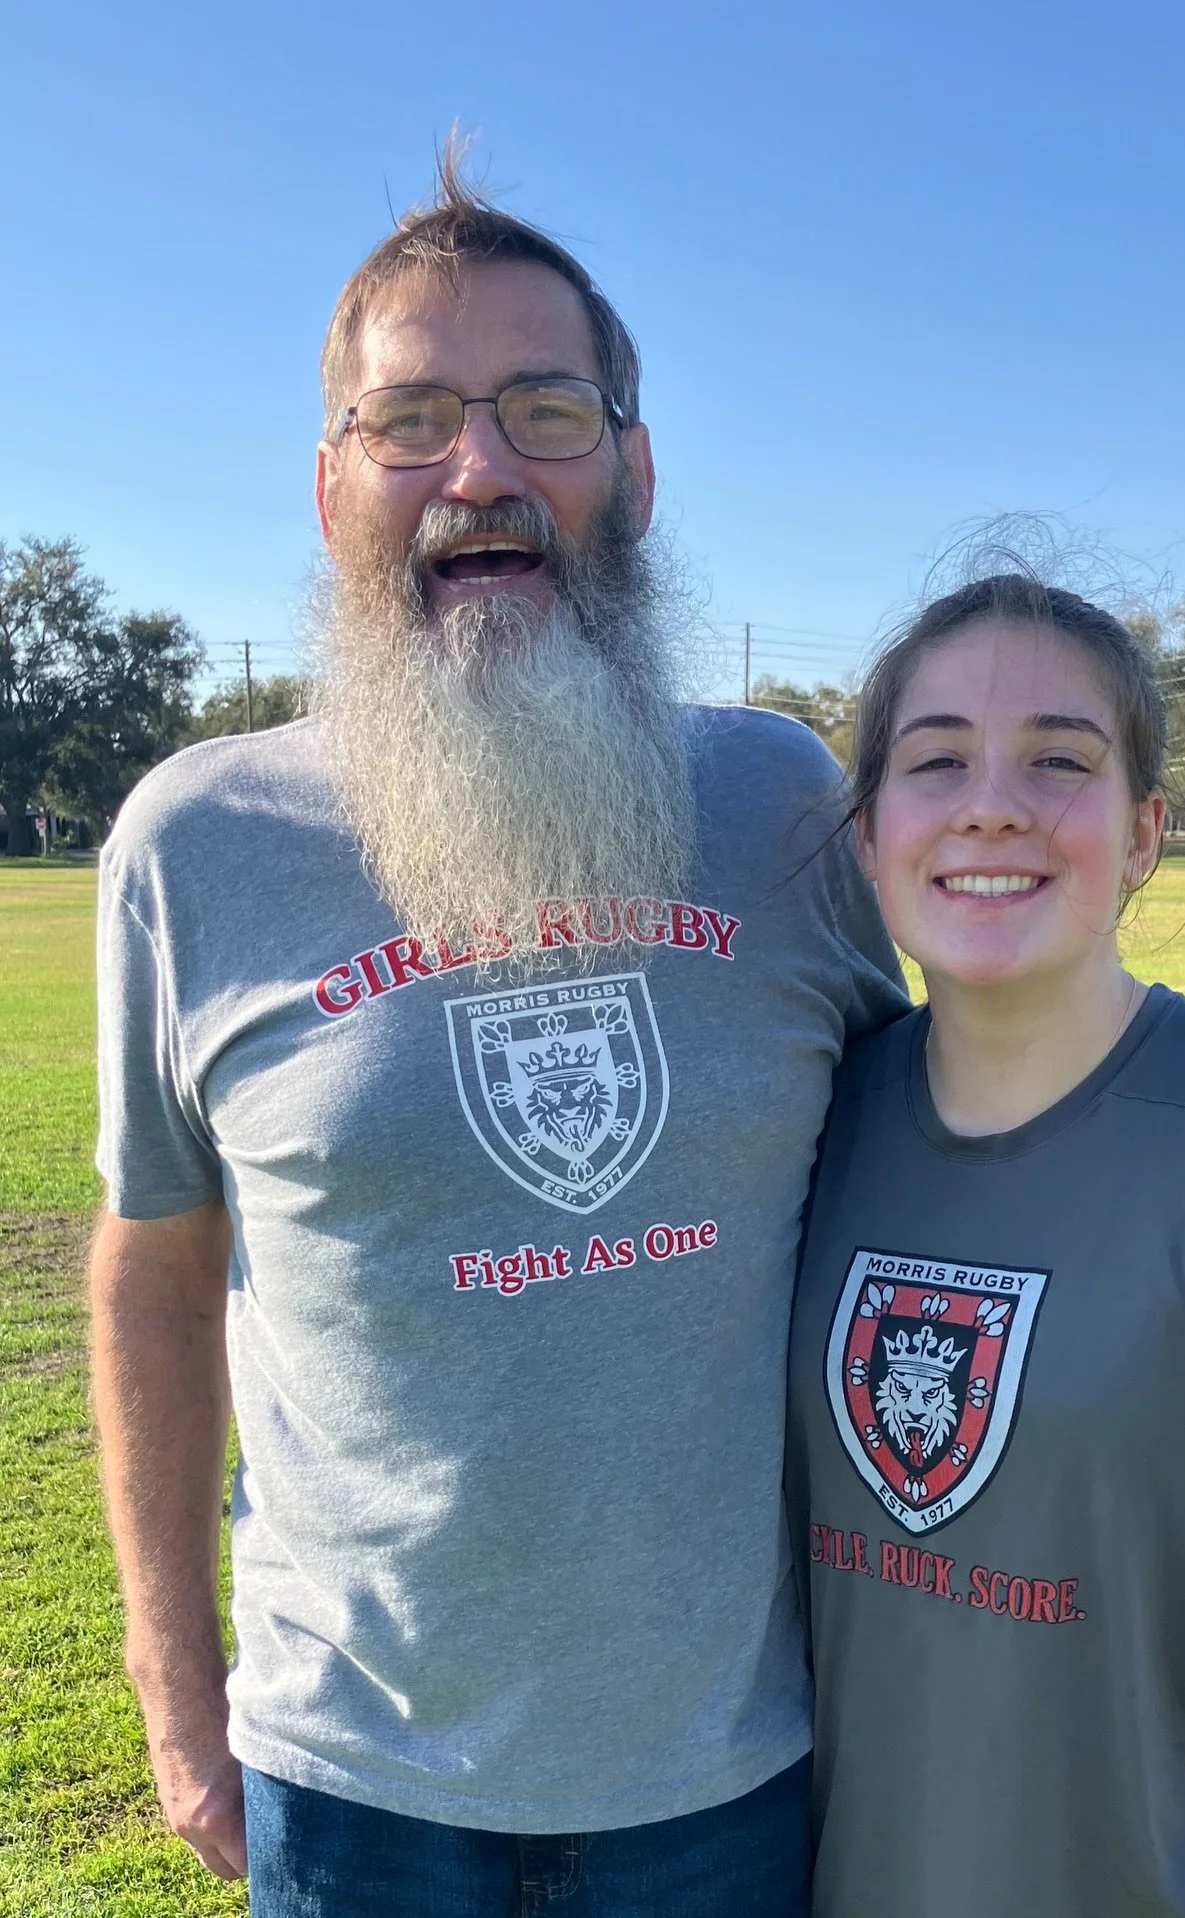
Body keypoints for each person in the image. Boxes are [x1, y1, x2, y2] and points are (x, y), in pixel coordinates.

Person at [90, 155, 907, 1917]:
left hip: (733, 1766)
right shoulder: (193, 843)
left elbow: (943, 1151)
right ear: (332, 489)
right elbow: (153, 1279)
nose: (482, 470)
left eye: (547, 409)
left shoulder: (780, 806)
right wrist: (176, 1703)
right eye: (413, 420)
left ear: (636, 469)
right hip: (357, 1778)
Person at [786, 573, 1185, 1917]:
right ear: (868, 832)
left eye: (1059, 760)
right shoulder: (804, 1132)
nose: (992, 803)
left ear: (1145, 833)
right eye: (938, 759)